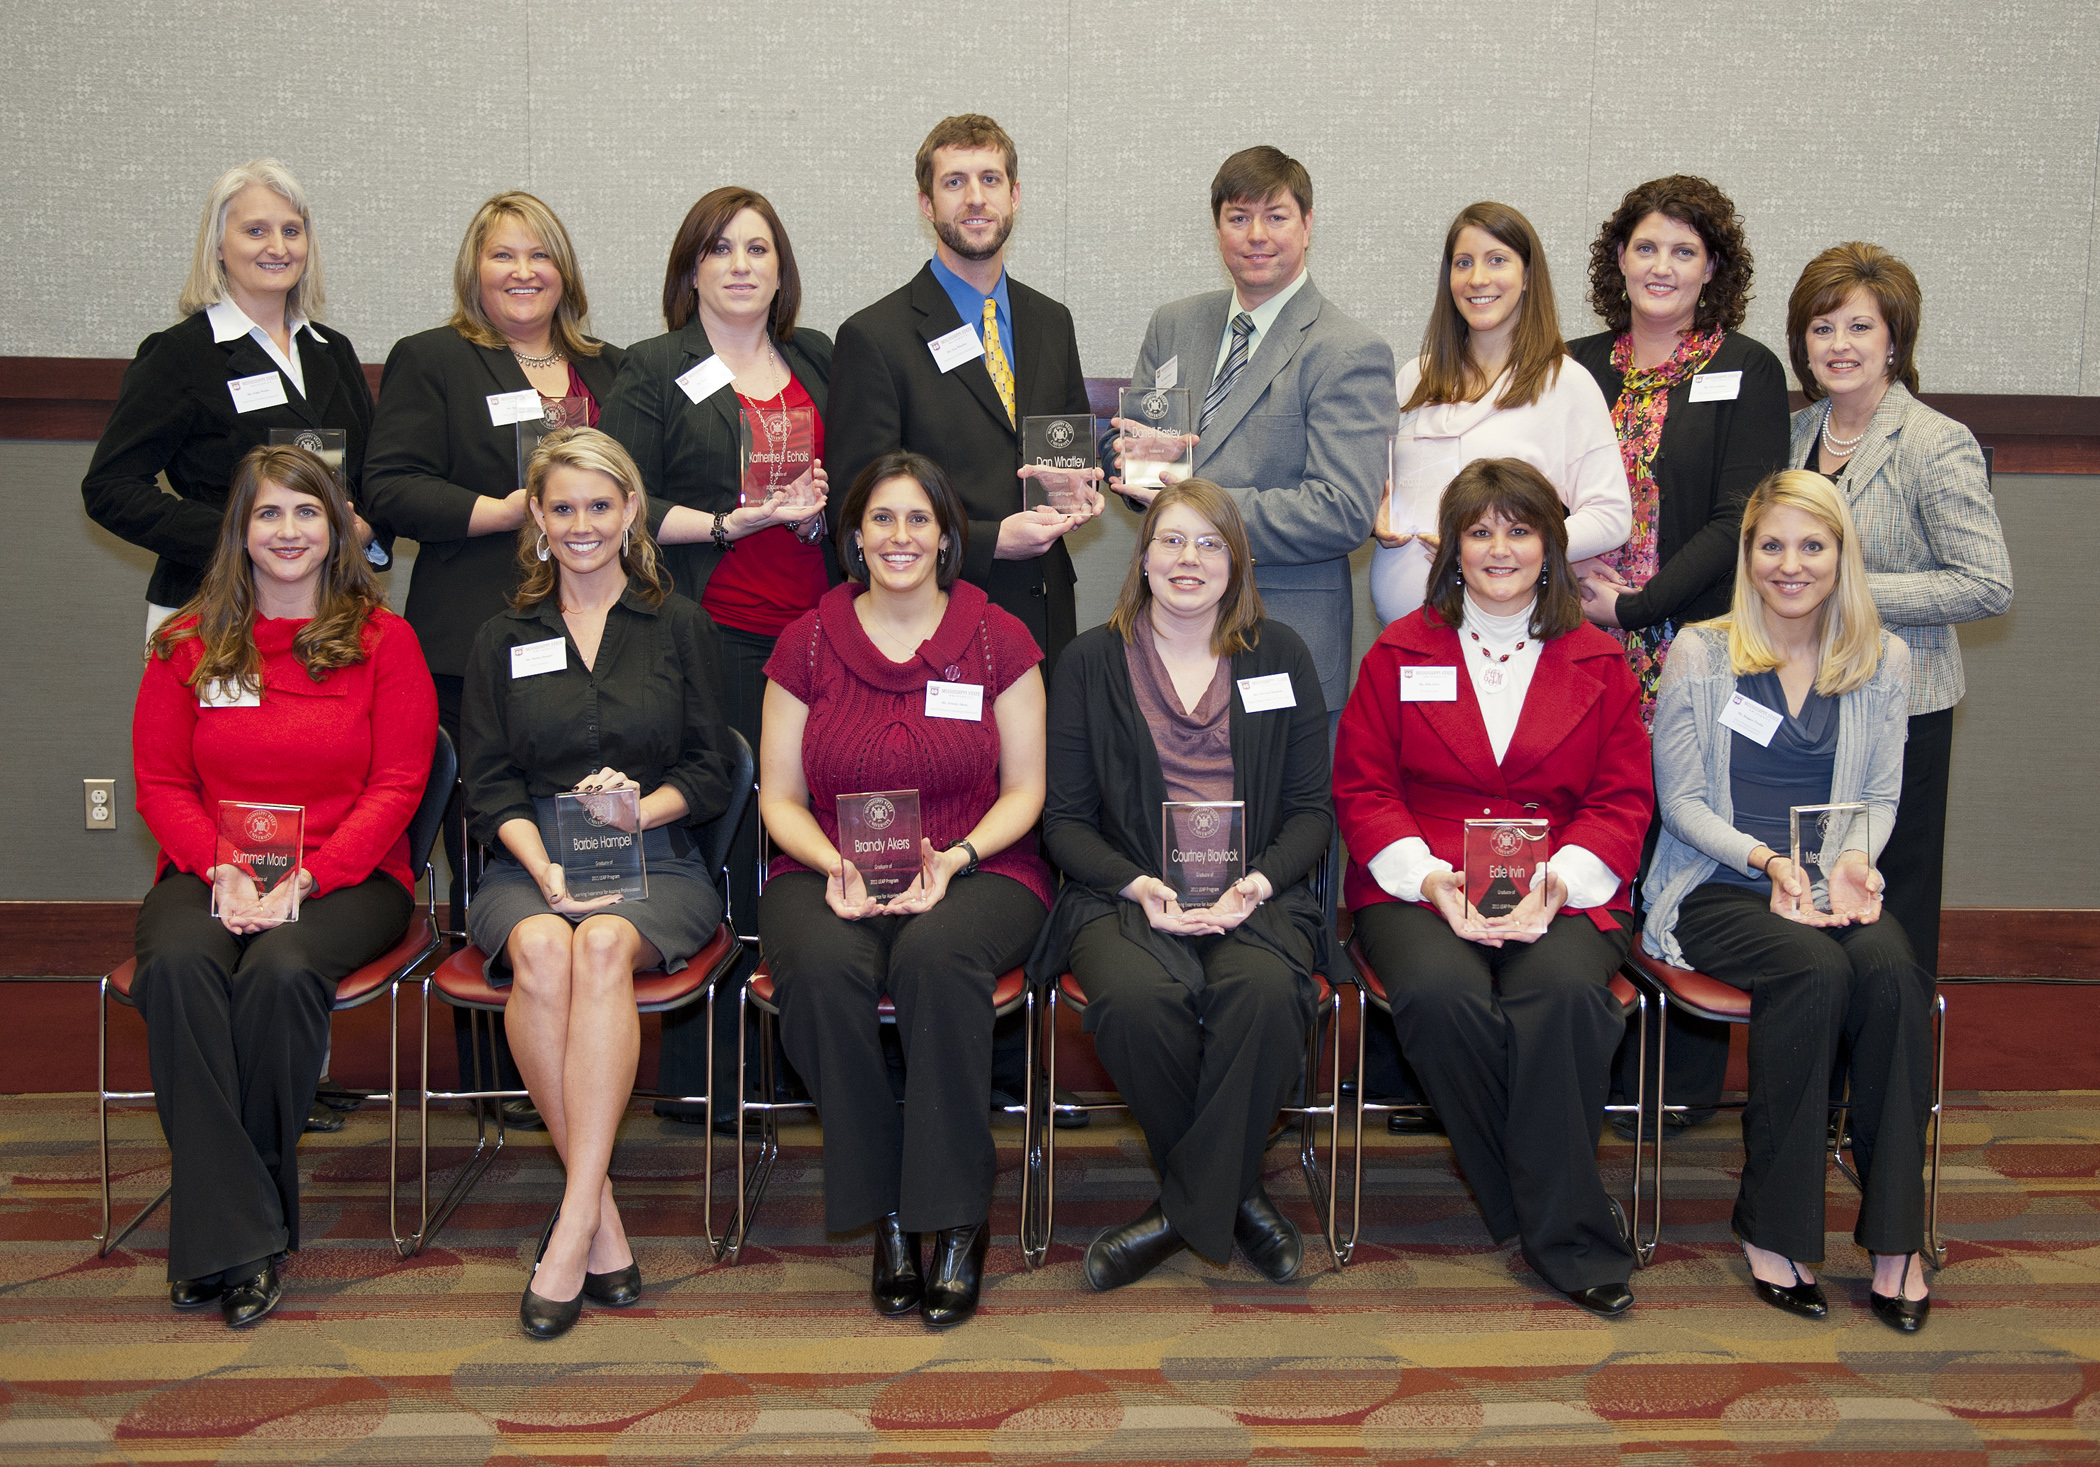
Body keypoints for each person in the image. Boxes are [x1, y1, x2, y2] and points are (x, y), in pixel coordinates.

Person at [130, 444, 437, 1329]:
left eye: (309, 512)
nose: (290, 530)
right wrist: (221, 866)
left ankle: (216, 1233)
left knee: (277, 969)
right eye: (270, 513)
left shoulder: (386, 641)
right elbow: (160, 784)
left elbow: (399, 786)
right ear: (241, 529)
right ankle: (246, 1236)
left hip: (348, 876)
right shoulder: (185, 643)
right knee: (182, 963)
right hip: (210, 868)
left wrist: (308, 876)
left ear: (338, 528)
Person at [1337, 457, 1653, 1316]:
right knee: (1440, 999)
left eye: (1519, 529)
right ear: (1455, 550)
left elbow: (1624, 797)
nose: (1499, 548)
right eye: (1480, 531)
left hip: (1563, 879)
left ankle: (1550, 1225)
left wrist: (1558, 883)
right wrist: (1433, 881)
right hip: (1421, 881)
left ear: (1550, 547)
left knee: (1566, 1003)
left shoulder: (1600, 660)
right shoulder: (1399, 653)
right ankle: (1559, 1212)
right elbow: (1364, 789)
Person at [757, 451, 1050, 1328]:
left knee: (935, 956)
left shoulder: (1000, 637)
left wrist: (952, 858)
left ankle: (956, 1216)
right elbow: (778, 794)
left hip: (981, 864)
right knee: (820, 967)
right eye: (882, 519)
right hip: (826, 865)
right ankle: (887, 1208)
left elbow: (1027, 790)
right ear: (853, 536)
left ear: (948, 536)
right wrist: (835, 865)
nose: (900, 536)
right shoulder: (806, 639)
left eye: (919, 519)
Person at [459, 428, 737, 1340]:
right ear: (537, 517)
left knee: (604, 942)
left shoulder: (678, 624)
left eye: (600, 505)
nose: (582, 525)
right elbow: (489, 783)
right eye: (563, 507)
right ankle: (601, 1218)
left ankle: (573, 1221)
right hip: (528, 856)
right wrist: (543, 866)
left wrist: (639, 811)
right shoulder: (504, 635)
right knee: (544, 943)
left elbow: (711, 768)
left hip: (657, 856)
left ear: (631, 513)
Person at [1642, 469, 1934, 1332]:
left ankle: (1896, 1239)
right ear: (1749, 554)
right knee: (1811, 971)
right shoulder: (1701, 650)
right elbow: (1683, 803)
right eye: (1772, 545)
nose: (1790, 564)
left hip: (1826, 880)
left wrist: (1848, 862)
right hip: (1721, 882)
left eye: (1812, 545)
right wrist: (1769, 860)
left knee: (1890, 974)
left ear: (1842, 556)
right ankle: (1775, 1227)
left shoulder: (1884, 660)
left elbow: (1882, 796)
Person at [1030, 481, 1334, 1290]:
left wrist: (1258, 883)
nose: (1188, 559)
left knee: (1266, 994)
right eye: (1171, 540)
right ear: (1143, 556)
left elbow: (1311, 812)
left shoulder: (1282, 654)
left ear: (1236, 561)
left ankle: (1180, 1211)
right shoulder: (1090, 661)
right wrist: (1137, 884)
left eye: (1208, 543)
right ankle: (1236, 1200)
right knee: (1134, 1002)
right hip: (1125, 892)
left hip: (1255, 895)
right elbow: (1064, 821)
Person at [363, 191, 626, 1118]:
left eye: (540, 255)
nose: (523, 273)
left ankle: (592, 1045)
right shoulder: (435, 359)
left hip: (594, 640)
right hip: (473, 639)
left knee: (583, 823)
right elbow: (389, 487)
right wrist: (510, 510)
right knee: (486, 835)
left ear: (566, 269)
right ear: (475, 269)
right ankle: (501, 1066)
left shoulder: (609, 369)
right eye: (502, 256)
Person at [601, 186, 834, 1126]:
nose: (742, 265)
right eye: (721, 250)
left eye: (759, 249)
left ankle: (811, 1054)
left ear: (782, 270)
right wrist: (731, 522)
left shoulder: (818, 359)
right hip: (717, 634)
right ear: (690, 268)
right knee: (731, 840)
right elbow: (619, 496)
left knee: (814, 836)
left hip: (821, 637)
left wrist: (827, 513)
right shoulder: (654, 368)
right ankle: (714, 1077)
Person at [1567, 175, 1792, 1129]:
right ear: (1618, 258)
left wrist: (1639, 606)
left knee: (1679, 836)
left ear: (1714, 270)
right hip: (1569, 642)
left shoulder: (1746, 367)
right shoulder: (1573, 363)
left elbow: (1743, 513)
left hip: (1692, 644)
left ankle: (1672, 1081)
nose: (1662, 266)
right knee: (1587, 833)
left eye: (1684, 252)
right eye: (1646, 247)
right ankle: (1577, 1047)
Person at [1785, 243, 2012, 979]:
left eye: (1859, 328)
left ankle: (1887, 1087)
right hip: (1810, 706)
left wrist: (1845, 585)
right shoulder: (1794, 436)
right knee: (1818, 895)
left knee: (1892, 904)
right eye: (1823, 330)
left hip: (1904, 707)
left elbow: (1987, 583)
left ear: (1895, 341)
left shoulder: (1934, 442)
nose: (1839, 346)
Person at [1113, 145, 1397, 723]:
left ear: (1308, 225)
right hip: (1168, 619)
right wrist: (1125, 462)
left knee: (1278, 807)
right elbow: (1146, 461)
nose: (1256, 235)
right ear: (1217, 228)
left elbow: (1343, 510)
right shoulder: (1173, 324)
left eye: (1276, 216)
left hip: (1282, 625)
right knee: (1166, 796)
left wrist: (1199, 512)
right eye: (1238, 218)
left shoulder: (1348, 350)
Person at [827, 113, 1101, 674]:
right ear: (927, 204)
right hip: (932, 621)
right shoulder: (874, 337)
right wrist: (990, 541)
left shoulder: (1051, 321)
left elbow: (1065, 451)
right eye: (955, 182)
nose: (975, 198)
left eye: (990, 180)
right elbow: (852, 513)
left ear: (1015, 194)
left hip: (1044, 613)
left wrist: (1082, 491)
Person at [84, 158, 382, 638]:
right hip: (213, 608)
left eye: (292, 230)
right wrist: (238, 537)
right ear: (219, 246)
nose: (277, 247)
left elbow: (372, 478)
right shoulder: (180, 353)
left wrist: (364, 529)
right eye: (256, 230)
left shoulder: (333, 351)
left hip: (329, 609)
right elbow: (110, 489)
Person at [1372, 202, 1630, 628]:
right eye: (1464, 263)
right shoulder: (1414, 377)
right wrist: (1376, 515)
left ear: (1527, 276)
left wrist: (1527, 545)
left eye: (1497, 261)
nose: (1477, 279)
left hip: (1506, 634)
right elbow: (1382, 488)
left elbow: (1611, 515)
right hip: (1406, 640)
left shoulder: (1565, 383)